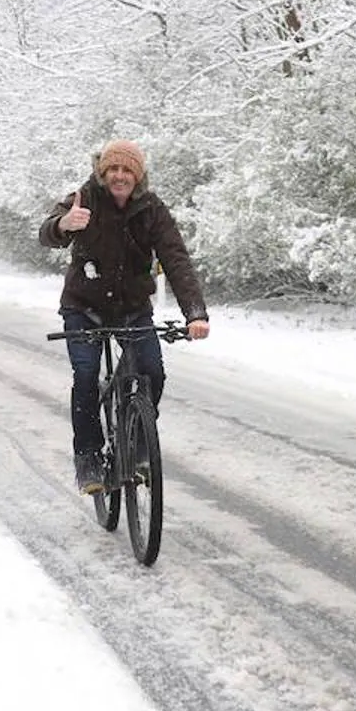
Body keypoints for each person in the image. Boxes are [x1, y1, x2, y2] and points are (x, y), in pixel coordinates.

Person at [39, 139, 211, 494]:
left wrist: (195, 313)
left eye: (127, 170)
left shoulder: (152, 210)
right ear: (103, 174)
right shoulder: (84, 199)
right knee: (86, 374)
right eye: (113, 169)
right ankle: (88, 456)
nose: (120, 176)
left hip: (132, 308)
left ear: (138, 175)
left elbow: (176, 260)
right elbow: (47, 233)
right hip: (82, 308)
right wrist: (63, 225)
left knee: (152, 370)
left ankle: (139, 443)